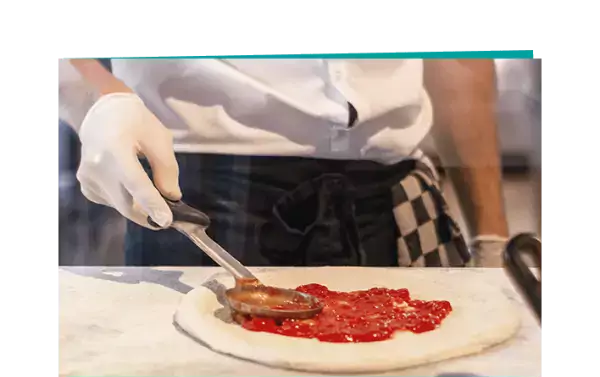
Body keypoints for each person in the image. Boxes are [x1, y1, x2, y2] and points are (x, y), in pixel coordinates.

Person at [56, 56, 509, 268]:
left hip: (391, 201)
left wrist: (492, 240)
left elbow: (461, 63)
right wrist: (96, 98)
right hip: (201, 200)